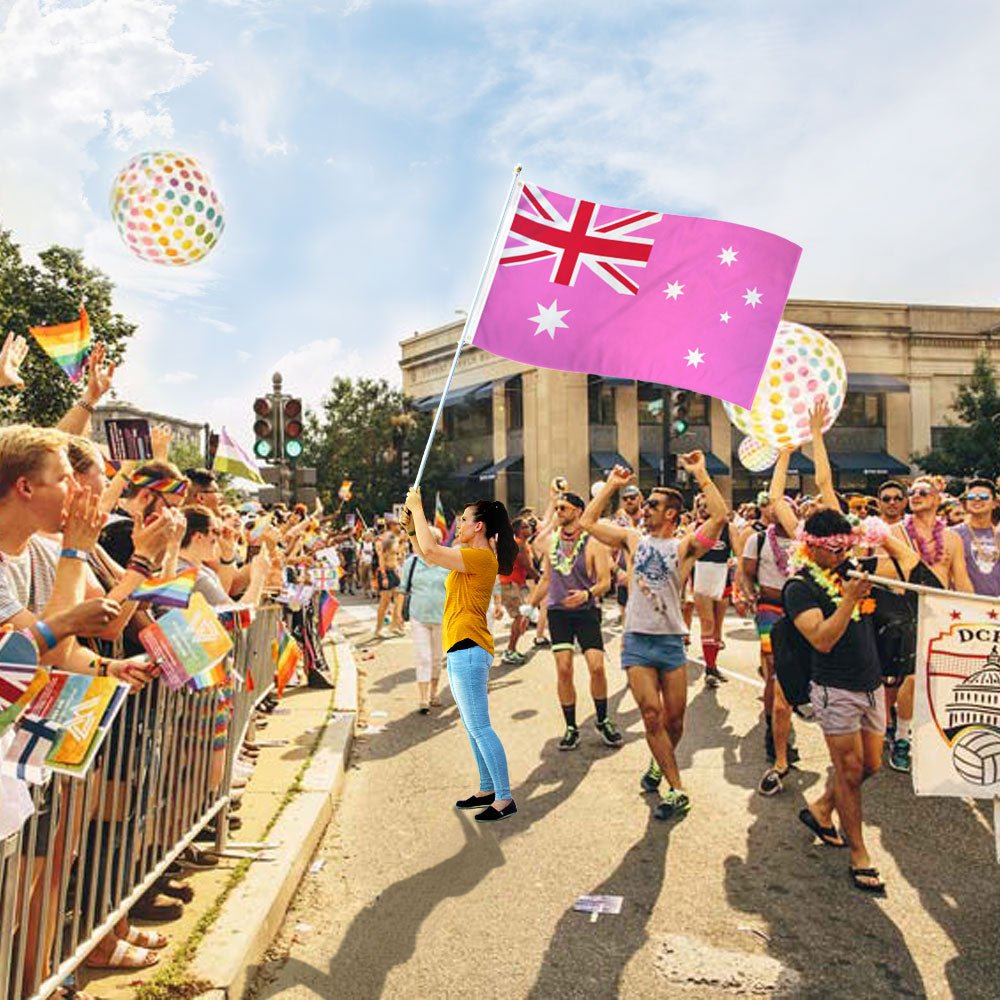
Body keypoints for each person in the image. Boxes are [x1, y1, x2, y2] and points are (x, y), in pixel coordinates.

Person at [581, 452, 728, 819]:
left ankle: (657, 764)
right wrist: (612, 485)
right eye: (645, 504)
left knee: (674, 722)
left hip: (670, 642)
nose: (645, 509)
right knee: (650, 714)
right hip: (637, 642)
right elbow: (588, 521)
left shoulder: (684, 547)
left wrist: (701, 474)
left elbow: (720, 517)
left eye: (653, 505)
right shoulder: (632, 540)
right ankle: (677, 789)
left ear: (671, 515)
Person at [780, 507, 887, 895]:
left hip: (871, 684)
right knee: (849, 771)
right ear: (811, 547)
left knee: (870, 766)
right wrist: (848, 600)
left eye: (847, 548)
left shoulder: (853, 571)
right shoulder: (800, 587)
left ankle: (822, 808)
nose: (841, 556)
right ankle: (859, 853)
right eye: (833, 549)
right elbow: (822, 638)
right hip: (834, 687)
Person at [403, 490, 517, 822]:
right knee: (472, 726)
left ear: (479, 526)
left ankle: (504, 797)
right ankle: (487, 788)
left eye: (465, 519)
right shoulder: (468, 555)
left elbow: (431, 549)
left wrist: (417, 508)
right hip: (461, 647)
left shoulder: (481, 558)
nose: (459, 524)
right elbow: (427, 555)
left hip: (469, 647)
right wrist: (412, 528)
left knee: (480, 726)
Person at [528, 491, 622, 750]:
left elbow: (605, 582)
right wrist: (530, 606)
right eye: (557, 508)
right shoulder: (551, 542)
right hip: (558, 612)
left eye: (563, 508)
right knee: (564, 668)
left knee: (596, 667)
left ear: (578, 512)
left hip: (586, 611)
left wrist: (586, 594)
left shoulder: (594, 543)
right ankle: (571, 726)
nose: (559, 512)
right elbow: (545, 575)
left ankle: (602, 720)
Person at [399, 527, 450, 712]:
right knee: (423, 658)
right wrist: (397, 613)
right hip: (418, 616)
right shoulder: (411, 563)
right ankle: (422, 698)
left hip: (442, 617)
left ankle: (434, 693)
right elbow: (403, 589)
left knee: (437, 658)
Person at [691, 492, 732, 687]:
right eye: (701, 505)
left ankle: (713, 665)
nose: (704, 508)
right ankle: (709, 668)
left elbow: (740, 552)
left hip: (722, 576)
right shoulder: (694, 528)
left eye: (708, 505)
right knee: (707, 623)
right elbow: (685, 556)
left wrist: (735, 561)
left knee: (717, 627)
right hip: (702, 576)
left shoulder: (728, 528)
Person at [499, 517, 538, 665]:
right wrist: (539, 579)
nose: (529, 529)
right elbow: (527, 566)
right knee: (519, 617)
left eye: (528, 526)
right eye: (525, 527)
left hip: (511, 583)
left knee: (521, 617)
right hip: (510, 584)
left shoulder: (519, 544)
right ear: (517, 530)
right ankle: (510, 651)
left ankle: (511, 650)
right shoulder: (520, 545)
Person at [953, 479, 1000, 597]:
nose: (977, 499)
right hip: (965, 606)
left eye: (984, 496)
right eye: (971, 496)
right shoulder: (953, 534)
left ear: (995, 503)